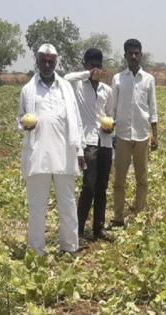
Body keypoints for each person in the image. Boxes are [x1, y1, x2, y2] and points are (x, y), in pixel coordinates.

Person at [17, 43, 85, 255]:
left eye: (51, 61)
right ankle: (37, 250)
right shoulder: (28, 89)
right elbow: (19, 120)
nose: (47, 65)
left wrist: (80, 151)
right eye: (43, 61)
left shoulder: (65, 87)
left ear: (56, 62)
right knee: (37, 207)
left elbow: (76, 120)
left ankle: (70, 247)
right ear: (37, 61)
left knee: (67, 204)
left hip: (64, 154)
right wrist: (24, 125)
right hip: (38, 156)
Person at [64, 48, 114, 241]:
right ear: (86, 66)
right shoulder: (77, 87)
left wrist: (111, 126)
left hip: (105, 142)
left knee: (102, 186)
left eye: (98, 66)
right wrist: (87, 74)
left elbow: (110, 114)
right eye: (92, 65)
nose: (95, 69)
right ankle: (78, 230)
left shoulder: (106, 90)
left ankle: (98, 228)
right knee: (88, 186)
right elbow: (66, 77)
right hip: (88, 143)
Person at [110, 38, 158, 227]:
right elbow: (112, 109)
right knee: (119, 179)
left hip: (142, 135)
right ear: (125, 56)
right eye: (130, 53)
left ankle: (138, 213)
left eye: (137, 53)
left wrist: (155, 135)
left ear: (141, 54)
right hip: (122, 135)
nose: (134, 56)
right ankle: (118, 216)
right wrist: (111, 132)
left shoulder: (149, 80)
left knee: (142, 178)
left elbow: (153, 109)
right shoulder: (118, 79)